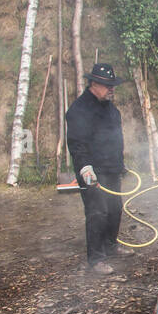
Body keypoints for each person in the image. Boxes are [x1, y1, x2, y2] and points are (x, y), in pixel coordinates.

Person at [66, 62, 128, 274]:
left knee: (114, 209)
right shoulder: (79, 110)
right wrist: (85, 168)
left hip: (111, 167)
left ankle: (110, 245)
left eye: (112, 85)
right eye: (106, 85)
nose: (111, 89)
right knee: (97, 212)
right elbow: (76, 143)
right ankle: (96, 258)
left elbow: (116, 140)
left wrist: (121, 164)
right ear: (93, 83)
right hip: (92, 170)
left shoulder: (111, 109)